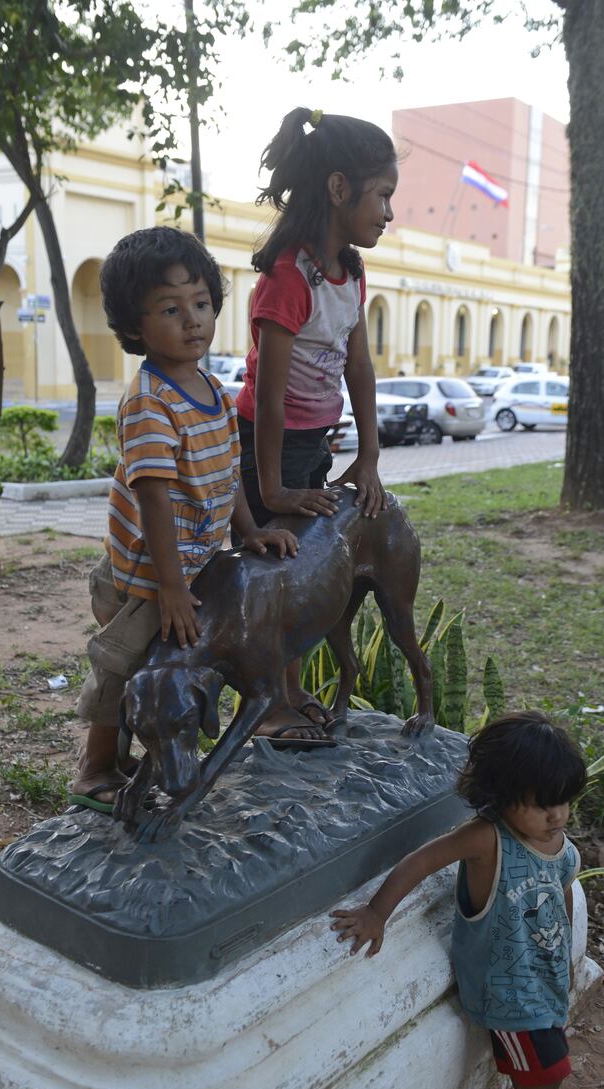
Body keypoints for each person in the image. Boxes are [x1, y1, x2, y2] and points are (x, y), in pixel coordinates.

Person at [69, 226, 297, 812]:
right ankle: (95, 767)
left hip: (184, 570)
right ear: (134, 328)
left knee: (166, 665)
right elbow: (154, 501)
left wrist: (248, 530)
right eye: (170, 309)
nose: (192, 320)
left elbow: (227, 475)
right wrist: (169, 588)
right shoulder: (150, 400)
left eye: (201, 304)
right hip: (144, 578)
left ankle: (132, 756)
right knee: (124, 668)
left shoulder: (214, 392)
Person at [330, 711, 587, 1089]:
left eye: (562, 800)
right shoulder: (487, 839)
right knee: (543, 1080)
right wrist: (377, 913)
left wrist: (567, 961)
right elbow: (424, 859)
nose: (556, 815)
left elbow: (561, 903)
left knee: (548, 1073)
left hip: (544, 986)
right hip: (511, 997)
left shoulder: (561, 848)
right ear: (502, 795)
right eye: (541, 804)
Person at [235, 106, 397, 742]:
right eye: (381, 194)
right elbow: (268, 397)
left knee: (300, 571)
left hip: (308, 445)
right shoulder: (288, 276)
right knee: (271, 574)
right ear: (338, 188)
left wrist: (371, 456)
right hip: (263, 445)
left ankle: (292, 690)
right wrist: (272, 491)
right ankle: (268, 702)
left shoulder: (349, 273)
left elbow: (359, 369)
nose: (387, 210)